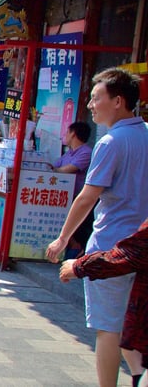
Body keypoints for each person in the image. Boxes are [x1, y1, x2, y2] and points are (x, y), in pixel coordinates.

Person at [46, 68, 148, 387]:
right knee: (132, 322)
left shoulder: (111, 141)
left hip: (112, 247)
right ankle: (138, 377)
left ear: (118, 101)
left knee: (109, 329)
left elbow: (87, 196)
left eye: (95, 98)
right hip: (142, 247)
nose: (90, 104)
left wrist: (63, 238)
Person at [59, 217, 148, 387]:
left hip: (110, 246)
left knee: (112, 328)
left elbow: (130, 254)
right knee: (128, 340)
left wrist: (79, 266)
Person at [51, 121, 94, 259]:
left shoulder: (86, 153)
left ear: (73, 134)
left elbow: (67, 170)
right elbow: (55, 166)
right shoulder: (69, 153)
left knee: (73, 228)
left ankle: (76, 249)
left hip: (77, 197)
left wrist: (54, 170)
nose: (65, 135)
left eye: (67, 132)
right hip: (62, 195)